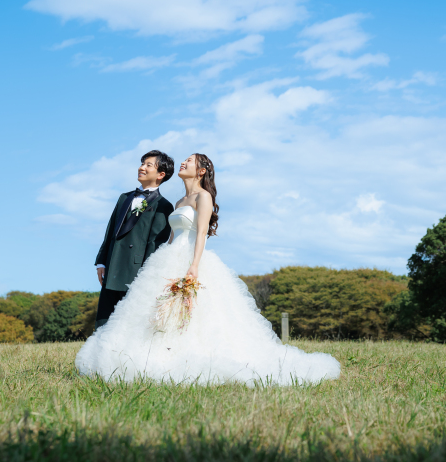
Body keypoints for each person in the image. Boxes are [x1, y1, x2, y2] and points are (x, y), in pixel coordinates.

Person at [77, 153, 340, 385]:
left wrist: (194, 265)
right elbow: (169, 237)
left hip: (191, 258)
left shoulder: (204, 196)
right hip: (169, 257)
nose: (183, 163)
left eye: (189, 161)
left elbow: (201, 234)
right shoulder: (179, 201)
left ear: (201, 170)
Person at [93, 150, 175, 329]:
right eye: (142, 163)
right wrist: (101, 262)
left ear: (161, 174)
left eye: (148, 165)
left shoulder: (164, 206)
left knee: (127, 322)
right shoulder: (124, 197)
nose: (141, 168)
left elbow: (155, 244)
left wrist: (147, 274)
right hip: (113, 264)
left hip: (136, 270)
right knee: (104, 320)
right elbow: (110, 231)